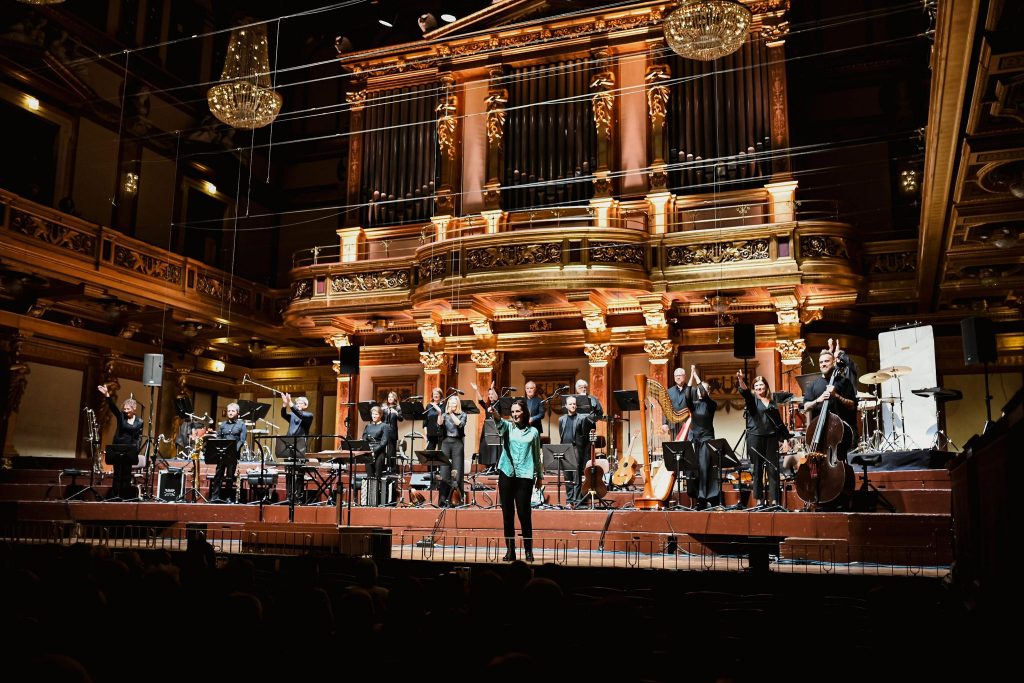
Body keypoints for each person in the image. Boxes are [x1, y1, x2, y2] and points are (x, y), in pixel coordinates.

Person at [491, 398, 543, 562]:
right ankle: (510, 551)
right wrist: (495, 413)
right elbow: (499, 422)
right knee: (507, 514)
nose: (514, 414)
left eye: (517, 411)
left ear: (524, 412)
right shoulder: (508, 427)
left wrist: (539, 476)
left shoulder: (533, 432)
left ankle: (528, 551)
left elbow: (536, 455)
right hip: (507, 473)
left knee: (524, 514)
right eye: (512, 412)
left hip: (525, 476)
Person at [736, 371, 792, 508]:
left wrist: (785, 439)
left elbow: (778, 423)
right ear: (754, 388)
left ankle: (775, 501)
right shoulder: (752, 400)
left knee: (774, 469)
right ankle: (759, 501)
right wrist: (741, 380)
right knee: (757, 470)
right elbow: (745, 392)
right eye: (756, 385)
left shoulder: (772, 402)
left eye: (761, 385)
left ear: (766, 386)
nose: (759, 387)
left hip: (771, 438)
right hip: (755, 438)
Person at [803, 347, 858, 464]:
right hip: (819, 432)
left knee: (839, 461)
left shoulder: (844, 382)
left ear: (833, 362)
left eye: (826, 361)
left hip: (839, 431)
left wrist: (836, 395)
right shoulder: (813, 384)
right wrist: (818, 400)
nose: (823, 364)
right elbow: (806, 406)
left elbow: (852, 405)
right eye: (821, 362)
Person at [97, 384, 143, 500]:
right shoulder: (121, 416)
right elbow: (113, 408)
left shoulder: (139, 421)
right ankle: (115, 496)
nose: (126, 411)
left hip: (129, 449)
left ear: (134, 409)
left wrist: (136, 450)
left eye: (128, 409)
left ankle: (125, 496)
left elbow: (137, 437)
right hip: (118, 448)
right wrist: (107, 395)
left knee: (126, 474)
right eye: (125, 409)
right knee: (117, 474)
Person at [684, 365, 719, 509]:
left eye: (702, 389)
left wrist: (696, 375)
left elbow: (703, 392)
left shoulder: (711, 404)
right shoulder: (693, 405)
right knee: (695, 470)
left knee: (704, 469)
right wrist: (691, 376)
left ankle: (704, 498)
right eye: (698, 390)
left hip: (706, 439)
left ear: (708, 391)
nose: (699, 391)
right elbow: (687, 395)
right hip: (695, 440)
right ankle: (698, 498)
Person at [558, 395, 597, 505]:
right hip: (565, 448)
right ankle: (569, 500)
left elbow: (585, 436)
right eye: (570, 404)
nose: (573, 406)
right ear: (566, 406)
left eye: (574, 404)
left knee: (576, 475)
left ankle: (577, 500)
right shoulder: (561, 419)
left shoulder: (582, 418)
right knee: (567, 476)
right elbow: (561, 433)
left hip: (576, 448)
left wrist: (582, 450)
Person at [279, 393, 313, 503]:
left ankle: (299, 497)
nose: (297, 404)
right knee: (289, 472)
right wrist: (285, 404)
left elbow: (299, 413)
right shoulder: (293, 415)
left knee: (299, 473)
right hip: (289, 445)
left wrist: (290, 403)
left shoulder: (308, 415)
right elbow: (284, 414)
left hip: (300, 446)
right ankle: (289, 496)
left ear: (305, 405)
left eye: (300, 403)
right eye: (296, 403)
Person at [210, 402, 246, 502]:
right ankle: (215, 497)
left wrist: (234, 450)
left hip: (232, 455)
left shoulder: (241, 424)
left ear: (237, 412)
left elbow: (242, 440)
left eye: (233, 411)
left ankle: (228, 497)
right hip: (221, 454)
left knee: (230, 476)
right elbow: (218, 437)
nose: (230, 412)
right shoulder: (223, 425)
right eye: (229, 411)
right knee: (218, 475)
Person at [437, 394, 467, 505]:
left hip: (457, 443)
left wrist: (451, 414)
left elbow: (460, 424)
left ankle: (457, 500)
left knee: (457, 472)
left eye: (454, 402)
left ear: (457, 404)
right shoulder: (445, 415)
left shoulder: (463, 414)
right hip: (445, 443)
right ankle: (443, 500)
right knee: (444, 472)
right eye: (450, 402)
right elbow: (439, 424)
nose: (451, 404)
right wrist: (440, 414)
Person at [471, 382, 501, 472]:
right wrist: (476, 390)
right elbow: (481, 401)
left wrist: (493, 388)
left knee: (494, 448)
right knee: (486, 446)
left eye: (492, 394)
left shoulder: (499, 404)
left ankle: (495, 466)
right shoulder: (488, 405)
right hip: (487, 427)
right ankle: (488, 466)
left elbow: (497, 398)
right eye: (489, 394)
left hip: (495, 427)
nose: (490, 396)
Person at [362, 405, 392, 481]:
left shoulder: (385, 426)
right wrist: (368, 449)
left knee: (378, 475)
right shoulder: (368, 426)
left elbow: (384, 442)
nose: (374, 416)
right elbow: (364, 438)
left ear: (380, 415)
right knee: (369, 475)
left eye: (376, 414)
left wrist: (374, 451)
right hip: (369, 451)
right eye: (373, 414)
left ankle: (378, 487)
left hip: (379, 451)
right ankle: (370, 487)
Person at [660, 367, 688, 438]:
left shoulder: (691, 390)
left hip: (687, 424)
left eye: (680, 375)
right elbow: (665, 408)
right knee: (674, 443)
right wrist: (664, 423)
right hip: (673, 425)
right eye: (676, 376)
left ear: (684, 376)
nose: (678, 377)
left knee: (687, 444)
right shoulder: (669, 391)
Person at [380, 391, 404, 467]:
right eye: (389, 397)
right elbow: (379, 418)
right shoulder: (383, 406)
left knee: (391, 451)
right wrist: (381, 411)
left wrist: (396, 413)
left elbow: (401, 419)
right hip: (383, 431)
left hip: (392, 431)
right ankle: (381, 467)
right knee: (381, 449)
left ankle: (391, 468)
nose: (390, 398)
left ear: (395, 398)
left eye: (392, 397)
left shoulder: (398, 407)